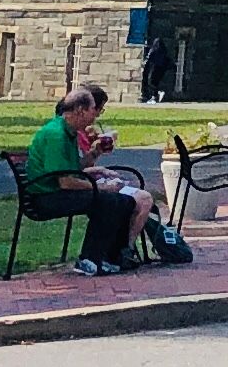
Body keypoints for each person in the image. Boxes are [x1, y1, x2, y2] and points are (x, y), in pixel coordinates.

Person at [21, 82, 169, 273]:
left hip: (56, 191)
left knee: (123, 201)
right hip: (45, 197)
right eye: (93, 110)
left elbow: (74, 170)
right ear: (80, 110)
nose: (96, 115)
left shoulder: (68, 132)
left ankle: (110, 256)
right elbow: (65, 182)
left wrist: (93, 154)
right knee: (108, 201)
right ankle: (89, 259)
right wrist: (102, 188)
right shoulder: (56, 135)